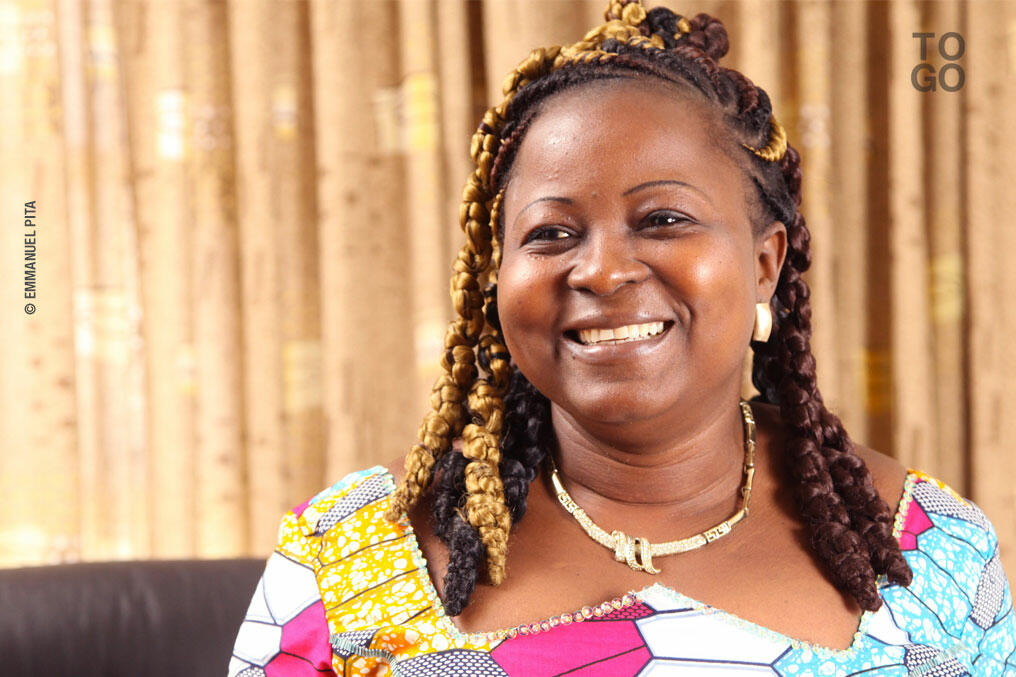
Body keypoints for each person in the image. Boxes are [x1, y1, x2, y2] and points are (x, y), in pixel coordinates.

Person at [228, 2, 1015, 674]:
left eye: (663, 219)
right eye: (551, 232)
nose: (601, 271)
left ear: (765, 264)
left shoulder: (933, 553)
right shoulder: (347, 556)